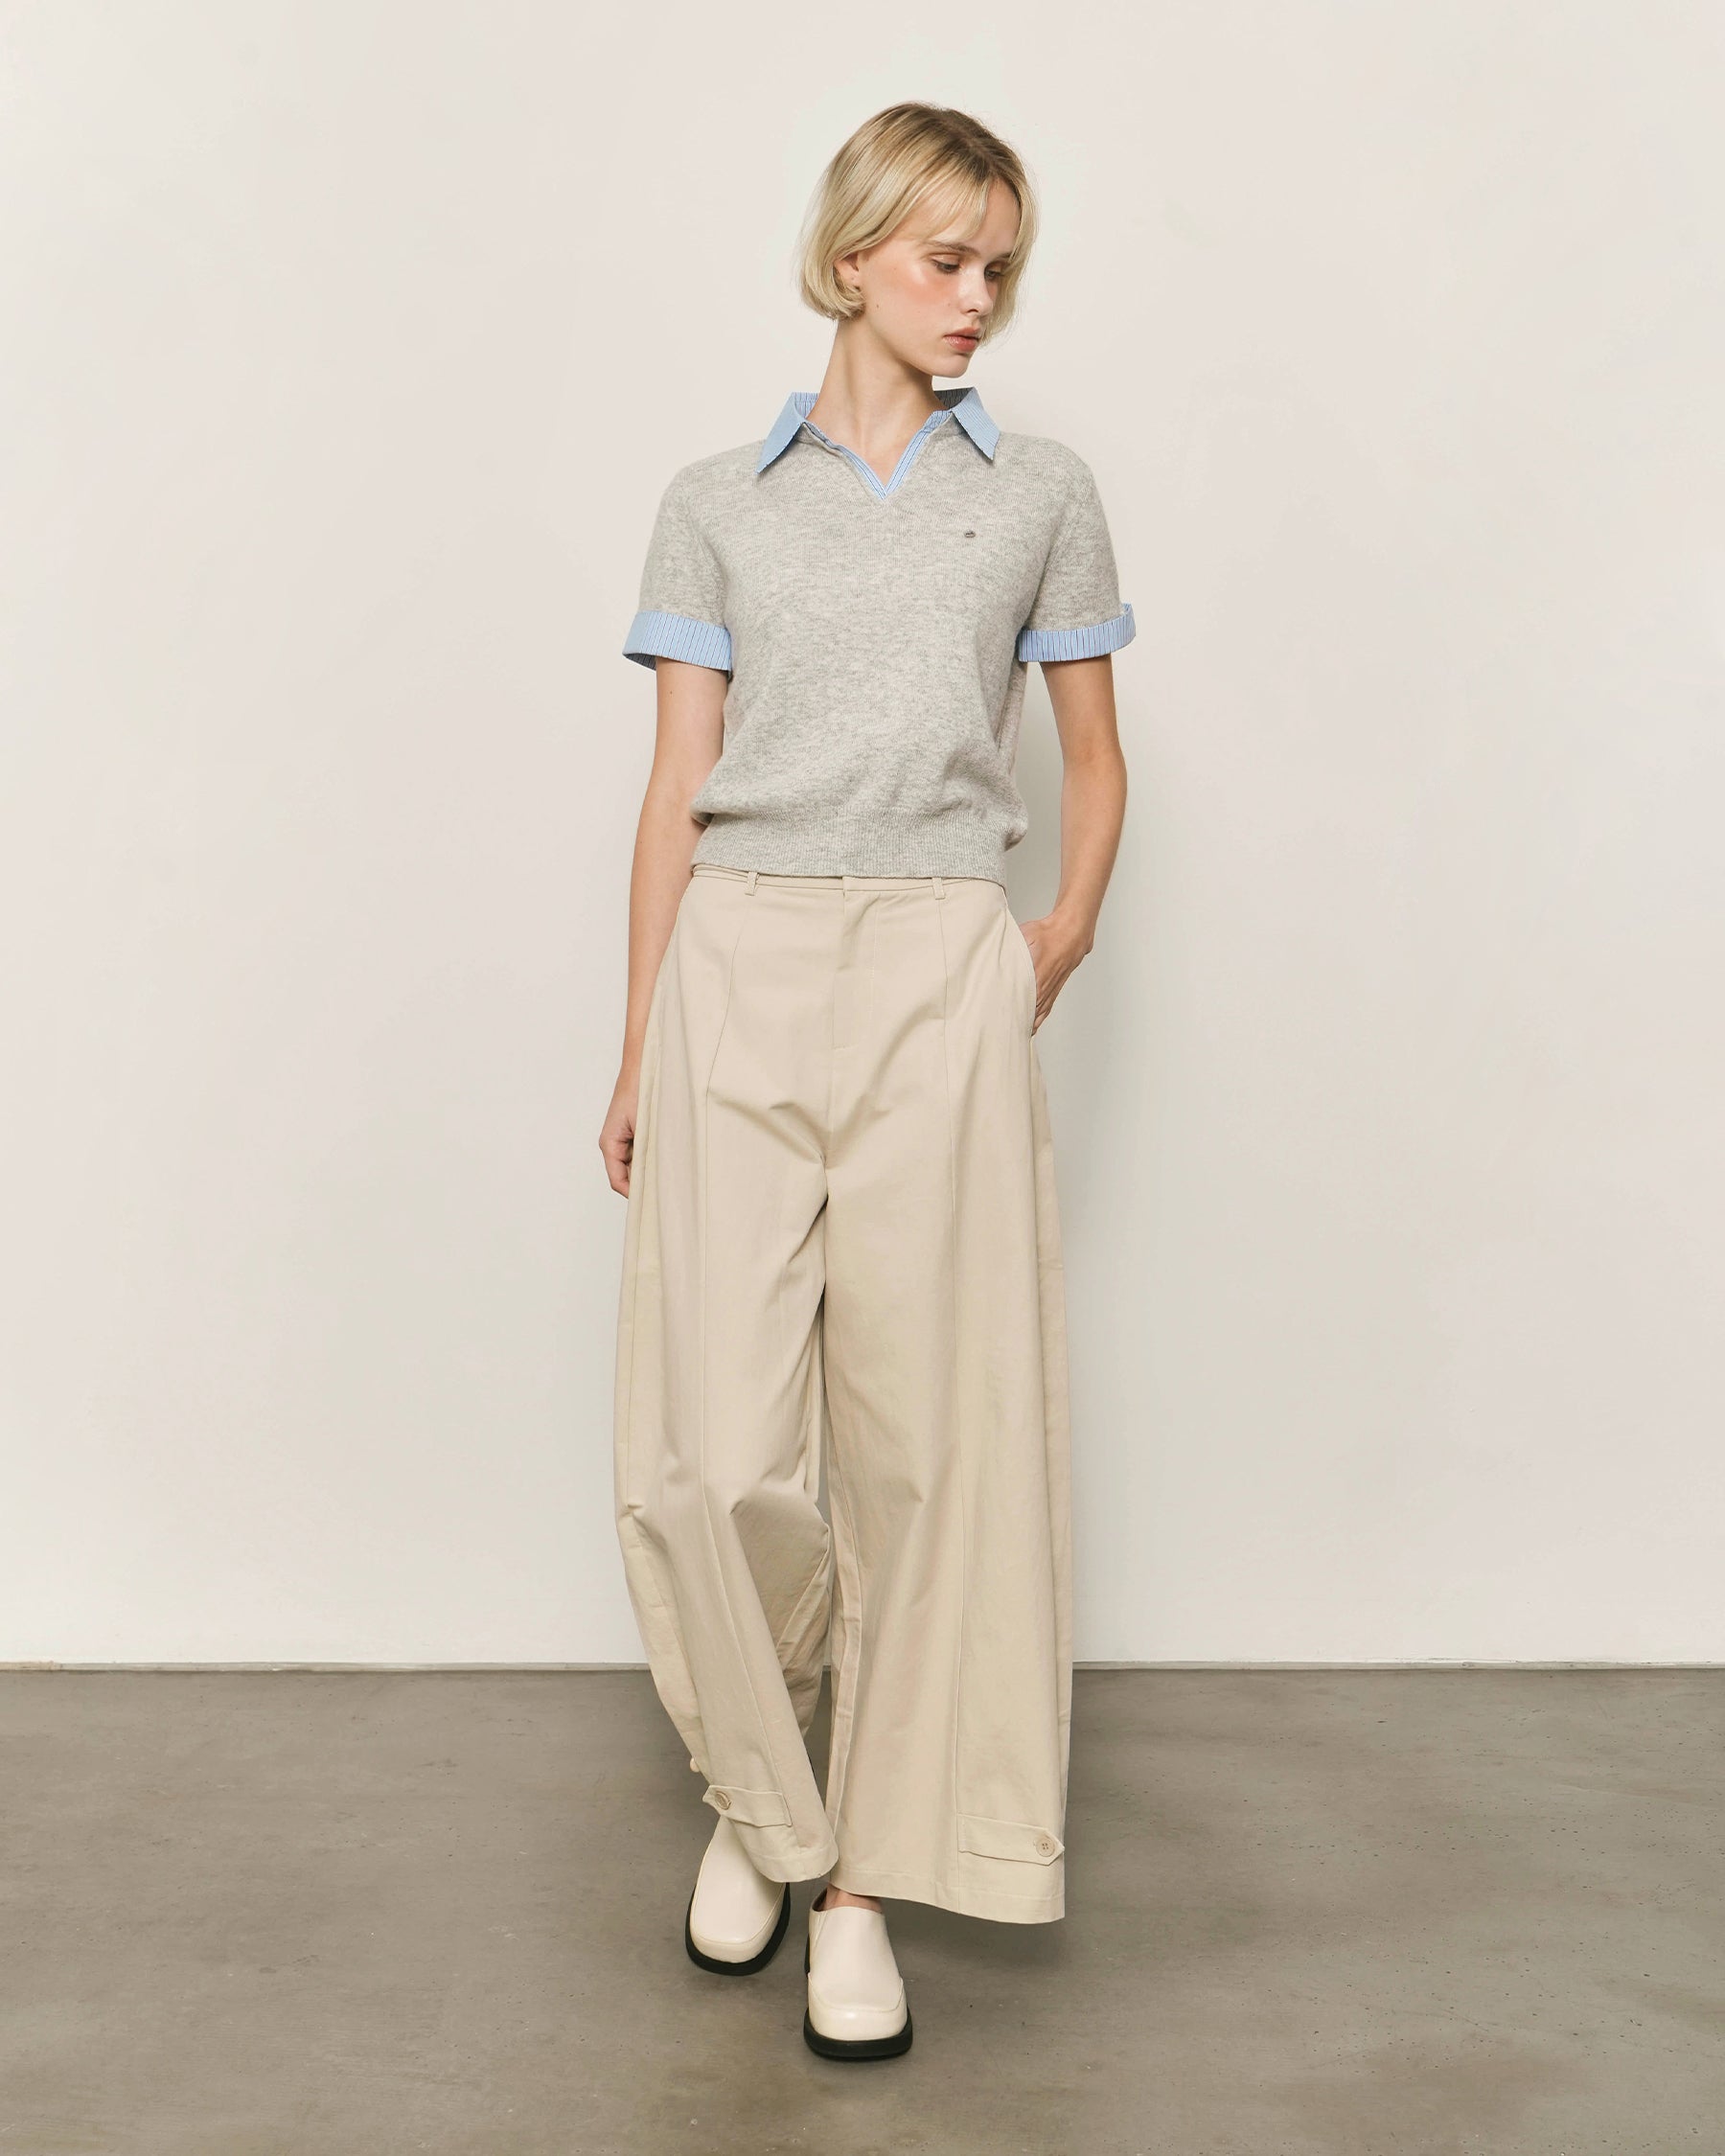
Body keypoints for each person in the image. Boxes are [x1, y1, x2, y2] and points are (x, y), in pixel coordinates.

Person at [600, 101, 1134, 2061]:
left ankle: (852, 1888)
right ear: (851, 260)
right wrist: (639, 1035)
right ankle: (768, 1794)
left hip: (938, 957)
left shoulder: (1043, 491)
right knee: (714, 1454)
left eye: (1002, 267)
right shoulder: (713, 501)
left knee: (927, 1446)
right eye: (946, 259)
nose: (979, 297)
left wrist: (1051, 937)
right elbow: (675, 787)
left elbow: (1096, 758)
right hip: (738, 955)